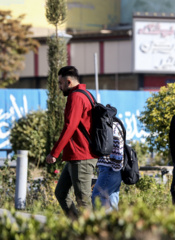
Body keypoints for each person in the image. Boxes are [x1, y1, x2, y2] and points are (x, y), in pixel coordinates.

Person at [46, 66, 98, 219]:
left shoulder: (76, 97)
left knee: (83, 200)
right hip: (76, 156)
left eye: (61, 83)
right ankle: (77, 226)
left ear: (68, 82)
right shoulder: (87, 94)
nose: (60, 87)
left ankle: (92, 233)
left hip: (82, 156)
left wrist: (54, 153)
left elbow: (70, 127)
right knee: (61, 193)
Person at [92, 121, 124, 212]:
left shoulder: (108, 125)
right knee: (112, 200)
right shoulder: (113, 124)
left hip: (109, 168)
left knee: (97, 196)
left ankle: (105, 225)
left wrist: (115, 167)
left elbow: (116, 142)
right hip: (112, 168)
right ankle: (116, 224)